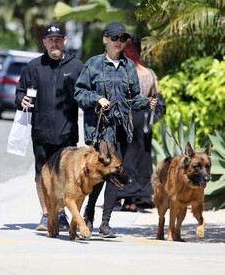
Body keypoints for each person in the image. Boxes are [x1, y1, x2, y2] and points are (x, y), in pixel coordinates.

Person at [74, 23, 156, 238]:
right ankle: (89, 214)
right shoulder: (93, 64)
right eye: (114, 37)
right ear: (105, 39)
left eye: (122, 38)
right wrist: (97, 99)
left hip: (123, 129)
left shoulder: (129, 66)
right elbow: (79, 93)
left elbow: (135, 97)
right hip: (100, 131)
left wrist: (147, 103)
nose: (118, 41)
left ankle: (106, 223)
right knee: (99, 175)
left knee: (116, 175)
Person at [15, 23, 84, 231]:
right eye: (50, 40)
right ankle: (46, 215)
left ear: (64, 41)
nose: (54, 43)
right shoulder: (33, 67)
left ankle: (61, 214)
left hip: (67, 134)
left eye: (58, 39)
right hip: (41, 132)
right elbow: (19, 93)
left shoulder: (76, 67)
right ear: (44, 42)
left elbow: (87, 94)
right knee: (41, 175)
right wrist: (22, 100)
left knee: (63, 176)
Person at [117, 34, 159, 212]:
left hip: (126, 114)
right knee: (140, 157)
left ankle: (123, 195)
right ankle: (136, 197)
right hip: (143, 116)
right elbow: (155, 95)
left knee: (124, 156)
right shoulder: (148, 72)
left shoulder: (124, 70)